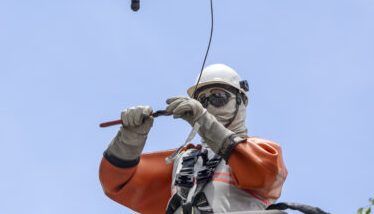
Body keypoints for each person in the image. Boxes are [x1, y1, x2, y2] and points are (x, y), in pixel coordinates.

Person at [99, 64, 287, 214]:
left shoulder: (261, 150)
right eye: (201, 101)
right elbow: (116, 184)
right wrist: (130, 139)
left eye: (218, 97)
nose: (209, 107)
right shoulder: (184, 161)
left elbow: (262, 172)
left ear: (241, 101)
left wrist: (206, 123)